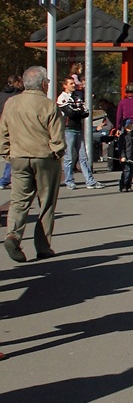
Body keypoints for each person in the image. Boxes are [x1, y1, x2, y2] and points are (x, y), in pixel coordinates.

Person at [0, 66, 65, 262]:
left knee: (19, 201)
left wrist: (7, 153)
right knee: (46, 203)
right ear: (44, 84)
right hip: (44, 158)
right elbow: (57, 137)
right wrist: (57, 153)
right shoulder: (48, 105)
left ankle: (13, 235)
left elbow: (3, 131)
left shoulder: (12, 103)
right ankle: (43, 247)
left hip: (19, 157)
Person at [56, 76, 103, 190]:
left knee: (83, 156)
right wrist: (78, 111)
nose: (74, 85)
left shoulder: (77, 97)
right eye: (71, 83)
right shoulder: (62, 98)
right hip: (68, 130)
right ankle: (69, 181)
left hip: (78, 129)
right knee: (69, 157)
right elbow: (70, 113)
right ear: (65, 85)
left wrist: (78, 110)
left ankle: (90, 181)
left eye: (74, 83)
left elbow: (86, 112)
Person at [0, 74, 24, 189]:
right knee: (15, 153)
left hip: (3, 127)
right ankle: (6, 179)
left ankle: (5, 179)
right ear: (17, 83)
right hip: (15, 127)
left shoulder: (1, 95)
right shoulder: (19, 96)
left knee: (9, 152)